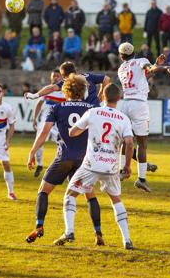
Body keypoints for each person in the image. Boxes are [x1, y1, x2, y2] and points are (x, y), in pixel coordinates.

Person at [55, 83, 135, 249]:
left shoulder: (93, 112)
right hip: (111, 167)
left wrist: (84, 130)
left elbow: (73, 132)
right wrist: (127, 165)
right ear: (119, 98)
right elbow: (129, 142)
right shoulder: (124, 118)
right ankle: (127, 240)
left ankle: (69, 231)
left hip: (91, 165)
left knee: (70, 194)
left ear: (103, 97)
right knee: (116, 200)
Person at [26, 74, 103, 245]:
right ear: (83, 90)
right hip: (84, 160)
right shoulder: (91, 108)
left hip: (64, 158)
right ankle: (98, 234)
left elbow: (44, 132)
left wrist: (32, 152)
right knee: (90, 195)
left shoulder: (57, 108)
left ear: (65, 90)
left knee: (43, 190)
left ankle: (39, 226)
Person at [117, 43, 170, 192]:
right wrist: (165, 68)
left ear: (121, 56)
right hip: (139, 105)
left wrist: (157, 64)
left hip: (125, 104)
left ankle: (121, 172)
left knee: (126, 140)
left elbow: (143, 76)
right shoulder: (140, 61)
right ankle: (141, 179)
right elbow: (149, 70)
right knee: (142, 144)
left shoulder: (121, 68)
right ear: (134, 53)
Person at [25, 61, 110, 107]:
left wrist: (35, 95)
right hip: (96, 109)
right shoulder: (88, 76)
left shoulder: (68, 81)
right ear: (75, 70)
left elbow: (51, 88)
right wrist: (101, 94)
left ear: (63, 76)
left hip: (82, 112)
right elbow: (106, 79)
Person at [30, 70, 66, 178]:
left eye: (57, 76)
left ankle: (61, 166)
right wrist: (34, 118)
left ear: (61, 77)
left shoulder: (65, 91)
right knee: (39, 143)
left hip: (58, 123)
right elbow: (39, 104)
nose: (55, 78)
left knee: (62, 145)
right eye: (53, 76)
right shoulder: (47, 90)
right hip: (45, 121)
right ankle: (40, 164)